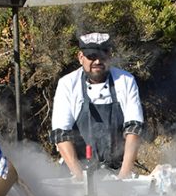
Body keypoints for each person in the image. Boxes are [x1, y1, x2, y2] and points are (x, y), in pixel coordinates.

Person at [50, 32, 144, 179]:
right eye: (92, 56)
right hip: (76, 170)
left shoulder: (126, 80)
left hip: (117, 170)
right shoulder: (67, 84)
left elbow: (134, 129)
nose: (98, 61)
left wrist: (123, 176)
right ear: (81, 57)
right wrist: (81, 179)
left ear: (110, 55)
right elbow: (61, 135)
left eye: (103, 56)